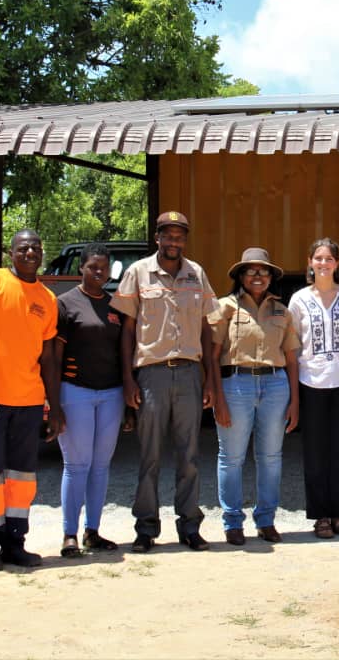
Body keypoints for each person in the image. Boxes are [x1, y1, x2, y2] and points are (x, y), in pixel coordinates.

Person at [110, 211, 219, 553]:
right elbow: (127, 330)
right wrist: (128, 379)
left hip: (188, 372)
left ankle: (189, 526)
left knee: (189, 456)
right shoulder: (138, 273)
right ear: (156, 237)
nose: (174, 242)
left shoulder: (196, 273)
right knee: (150, 455)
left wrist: (209, 381)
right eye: (167, 236)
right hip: (152, 374)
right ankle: (145, 528)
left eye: (179, 236)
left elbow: (206, 326)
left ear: (185, 240)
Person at [0, 229, 64, 571]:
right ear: (11, 252)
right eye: (23, 248)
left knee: (22, 478)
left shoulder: (48, 299)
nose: (30, 252)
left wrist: (55, 407)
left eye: (36, 247)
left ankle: (15, 543)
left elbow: (49, 359)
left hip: (29, 402)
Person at [212, 248, 300, 546]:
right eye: (251, 270)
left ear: (271, 277)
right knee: (232, 457)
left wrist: (295, 402)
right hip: (235, 385)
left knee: (271, 457)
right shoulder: (224, 307)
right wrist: (216, 398)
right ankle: (232, 522)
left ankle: (266, 520)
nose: (258, 276)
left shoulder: (282, 311)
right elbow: (211, 356)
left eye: (263, 271)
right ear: (240, 276)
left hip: (275, 387)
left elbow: (291, 358)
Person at [288, 238, 339, 539]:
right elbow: (293, 346)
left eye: (329, 258)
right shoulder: (298, 300)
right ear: (309, 262)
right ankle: (320, 516)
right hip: (311, 382)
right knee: (315, 453)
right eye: (318, 258)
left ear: (337, 263)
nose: (323, 263)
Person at [53, 243, 125, 558]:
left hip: (112, 394)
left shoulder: (115, 306)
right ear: (80, 268)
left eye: (104, 267)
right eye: (92, 267)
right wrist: (53, 403)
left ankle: (92, 532)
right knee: (76, 464)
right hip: (76, 392)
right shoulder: (65, 304)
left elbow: (123, 353)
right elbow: (54, 357)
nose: (99, 272)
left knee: (100, 466)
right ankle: (69, 534)